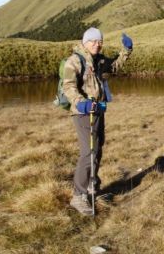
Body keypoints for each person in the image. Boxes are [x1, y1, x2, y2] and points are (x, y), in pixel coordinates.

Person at [62, 27, 133, 216]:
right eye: (93, 41)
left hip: (98, 111)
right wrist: (81, 103)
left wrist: (126, 51)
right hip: (83, 113)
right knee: (89, 152)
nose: (97, 44)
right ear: (85, 42)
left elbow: (114, 67)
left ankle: (93, 188)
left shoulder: (99, 59)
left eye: (99, 41)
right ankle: (78, 195)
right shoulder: (75, 60)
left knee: (98, 148)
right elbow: (68, 86)